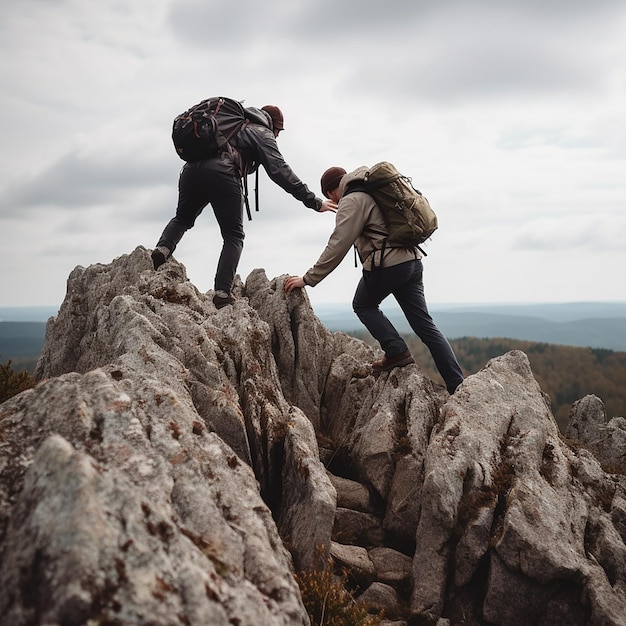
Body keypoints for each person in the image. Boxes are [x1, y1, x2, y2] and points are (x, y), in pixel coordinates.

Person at [284, 166, 464, 394]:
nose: (334, 201)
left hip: (388, 265)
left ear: (332, 192)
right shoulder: (373, 190)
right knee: (425, 326)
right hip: (412, 262)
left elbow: (337, 244)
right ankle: (457, 384)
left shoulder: (352, 200)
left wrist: (308, 279)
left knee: (363, 304)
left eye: (330, 197)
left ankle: (397, 351)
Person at [152, 104, 337, 309]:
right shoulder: (261, 132)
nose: (277, 137)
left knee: (182, 218)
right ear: (274, 126)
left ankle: (162, 250)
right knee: (234, 236)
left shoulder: (231, 123)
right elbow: (279, 170)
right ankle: (222, 292)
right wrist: (313, 201)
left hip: (190, 172)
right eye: (278, 132)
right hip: (222, 173)